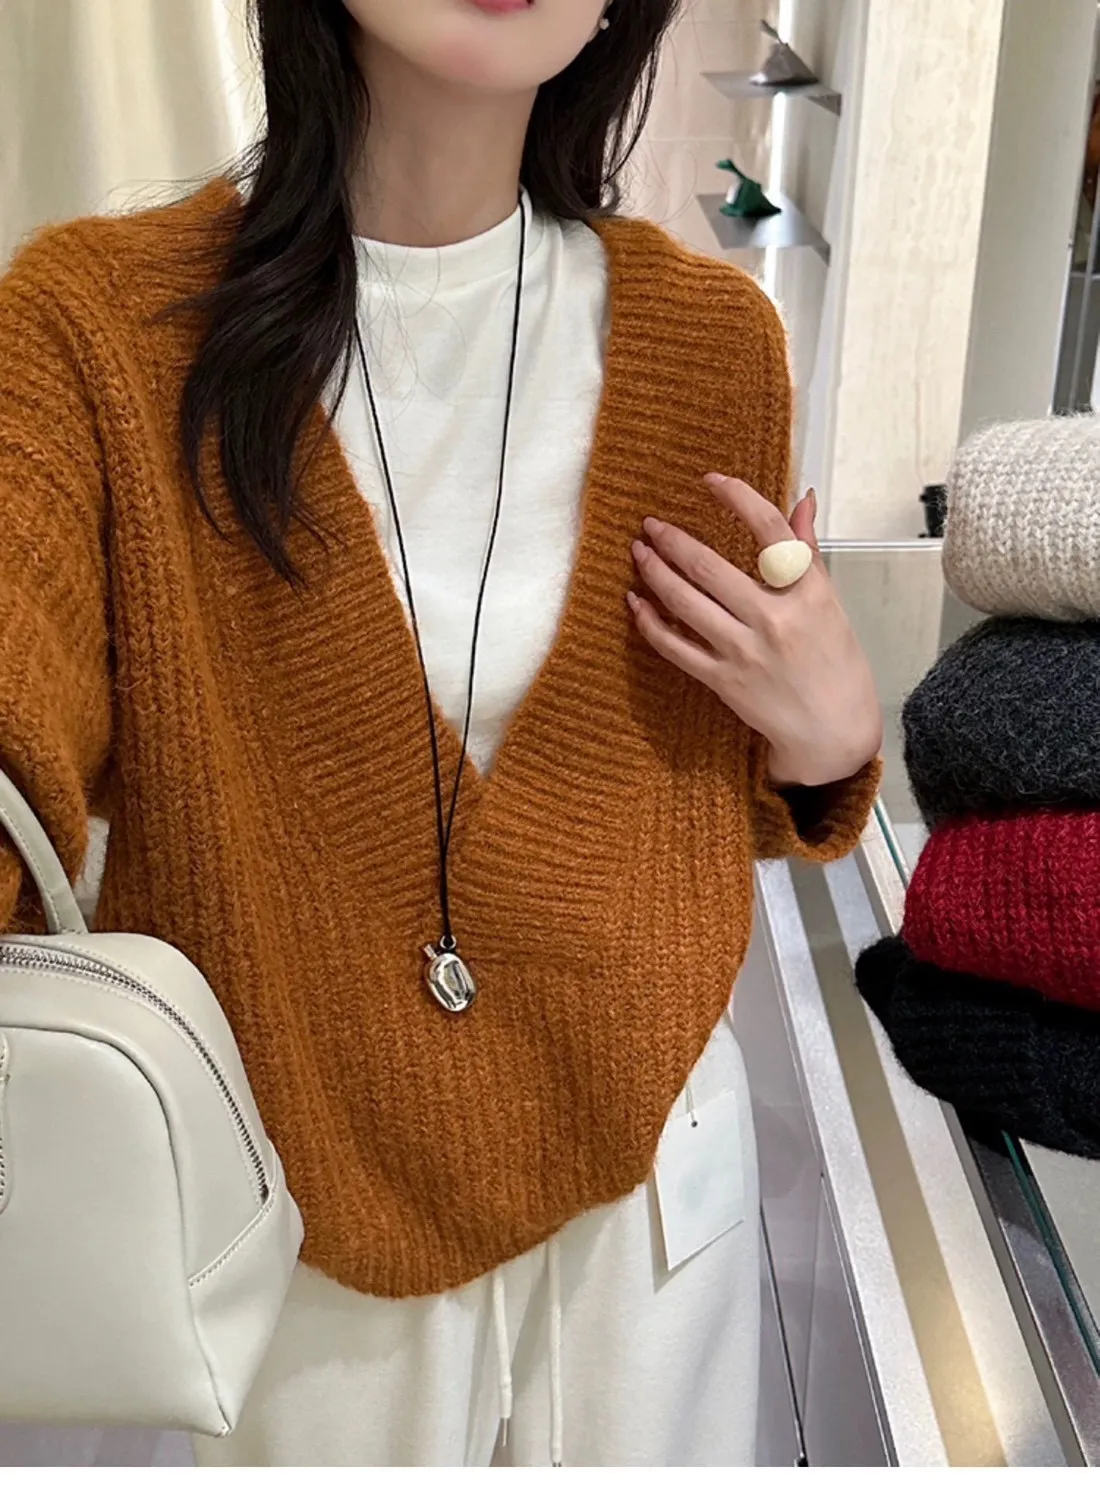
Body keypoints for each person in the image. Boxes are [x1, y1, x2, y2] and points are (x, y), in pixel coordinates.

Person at [0, 0, 882, 1467]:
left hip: (654, 1206)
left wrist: (827, 741)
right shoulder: (94, 331)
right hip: (296, 1222)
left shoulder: (716, 344)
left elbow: (675, 792)